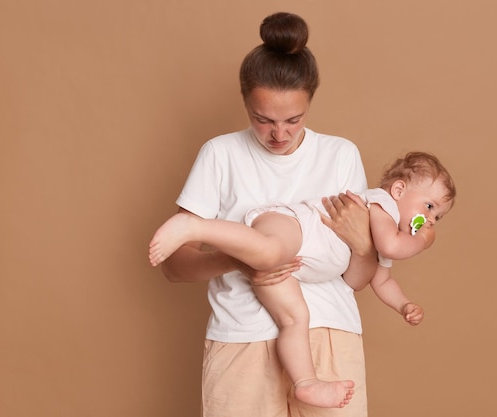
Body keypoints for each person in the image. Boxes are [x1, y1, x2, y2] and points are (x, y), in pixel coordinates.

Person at [156, 11, 378, 417]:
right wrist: (246, 261)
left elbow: (357, 280)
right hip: (242, 339)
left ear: (310, 103)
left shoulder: (340, 156)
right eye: (263, 120)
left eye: (294, 120)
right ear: (245, 103)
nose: (279, 134)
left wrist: (364, 246)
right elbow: (173, 266)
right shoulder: (220, 154)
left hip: (329, 335)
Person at [149, 151, 456, 406]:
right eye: (429, 207)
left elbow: (381, 281)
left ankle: (306, 381)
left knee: (295, 318)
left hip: (290, 267)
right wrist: (423, 240)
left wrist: (404, 306)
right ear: (399, 191)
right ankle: (195, 228)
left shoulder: (390, 234)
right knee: (269, 251)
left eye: (438, 217)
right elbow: (393, 246)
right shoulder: (383, 206)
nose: (429, 220)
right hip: (293, 226)